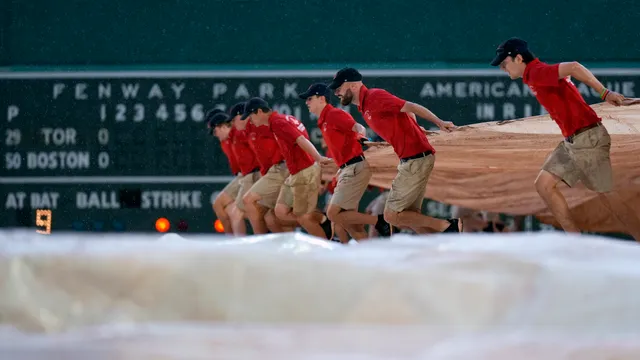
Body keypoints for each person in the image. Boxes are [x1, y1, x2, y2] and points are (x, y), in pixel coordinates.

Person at [490, 37, 640, 241]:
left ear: (518, 58)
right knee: (544, 185)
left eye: (503, 63)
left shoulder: (536, 72)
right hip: (574, 141)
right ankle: (576, 244)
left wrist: (604, 93)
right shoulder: (533, 75)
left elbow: (574, 67)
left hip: (588, 139)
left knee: (608, 197)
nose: (502, 68)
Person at [328, 67, 463, 234]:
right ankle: (441, 250)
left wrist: (439, 122)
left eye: (339, 88)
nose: (336, 93)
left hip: (414, 159)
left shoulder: (374, 97)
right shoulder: (363, 107)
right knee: (410, 217)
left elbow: (410, 106)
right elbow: (405, 113)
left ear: (354, 86)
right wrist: (414, 127)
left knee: (391, 216)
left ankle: (448, 226)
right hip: (415, 159)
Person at [298, 83, 392, 240]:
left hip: (355, 168)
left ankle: (379, 221)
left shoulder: (334, 114)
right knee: (350, 225)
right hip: (348, 169)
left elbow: (358, 127)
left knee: (333, 214)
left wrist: (362, 137)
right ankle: (367, 255)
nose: (307, 102)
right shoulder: (324, 120)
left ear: (322, 99)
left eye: (309, 98)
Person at [241, 97, 333, 240]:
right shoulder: (281, 120)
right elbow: (302, 136)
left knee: (304, 218)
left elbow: (301, 139)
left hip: (305, 170)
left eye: (251, 116)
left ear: (259, 111)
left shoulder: (278, 123)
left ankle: (326, 248)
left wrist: (318, 158)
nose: (250, 121)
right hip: (296, 171)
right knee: (280, 211)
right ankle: (322, 220)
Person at [234, 101, 293, 234]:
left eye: (235, 119)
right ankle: (279, 246)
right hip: (274, 171)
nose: (234, 123)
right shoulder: (249, 131)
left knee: (250, 203)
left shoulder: (265, 125)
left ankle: (260, 242)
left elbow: (294, 140)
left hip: (283, 168)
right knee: (271, 217)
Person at [205, 109, 245, 235]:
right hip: (243, 175)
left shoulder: (238, 135)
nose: (214, 134)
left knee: (223, 206)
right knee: (228, 209)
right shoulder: (226, 140)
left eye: (214, 129)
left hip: (249, 175)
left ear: (221, 126)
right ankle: (234, 240)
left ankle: (235, 243)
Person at [227, 102, 262, 233]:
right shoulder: (244, 131)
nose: (233, 124)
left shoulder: (251, 130)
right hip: (253, 174)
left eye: (234, 120)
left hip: (257, 174)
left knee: (236, 212)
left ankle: (240, 248)